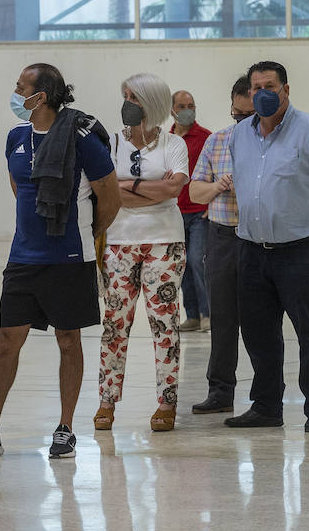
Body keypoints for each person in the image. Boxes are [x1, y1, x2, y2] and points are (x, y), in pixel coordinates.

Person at [0, 65, 119, 462]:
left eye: (20, 88)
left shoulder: (84, 142)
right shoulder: (16, 138)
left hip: (68, 259)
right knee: (6, 341)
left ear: (41, 96)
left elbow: (110, 198)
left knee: (69, 340)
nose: (14, 94)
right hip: (23, 257)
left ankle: (65, 428)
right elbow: (20, 190)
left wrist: (82, 231)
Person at [224, 61, 309, 433]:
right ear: (249, 93)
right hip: (250, 249)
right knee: (259, 333)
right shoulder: (240, 135)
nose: (262, 93)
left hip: (299, 252)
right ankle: (266, 406)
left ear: (286, 90)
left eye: (270, 86)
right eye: (256, 87)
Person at [94, 73, 189, 433]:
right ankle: (106, 400)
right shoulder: (112, 143)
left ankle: (167, 402)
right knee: (115, 323)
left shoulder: (172, 144)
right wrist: (149, 188)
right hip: (118, 240)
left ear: (151, 102)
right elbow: (104, 191)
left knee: (164, 323)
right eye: (125, 95)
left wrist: (125, 186)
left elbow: (173, 189)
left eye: (133, 96)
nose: (127, 102)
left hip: (164, 240)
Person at [186, 78, 255, 413]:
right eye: (237, 113)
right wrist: (217, 187)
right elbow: (194, 192)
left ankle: (266, 391)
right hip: (223, 236)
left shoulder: (275, 142)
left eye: (250, 115)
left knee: (261, 318)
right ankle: (220, 391)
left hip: (260, 239)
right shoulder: (217, 142)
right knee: (223, 317)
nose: (242, 121)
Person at [172, 90, 212, 333]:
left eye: (191, 104)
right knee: (183, 265)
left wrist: (210, 203)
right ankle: (193, 315)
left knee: (199, 261)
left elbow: (215, 171)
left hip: (199, 213)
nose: (188, 109)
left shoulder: (206, 137)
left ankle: (208, 314)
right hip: (174, 214)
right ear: (172, 110)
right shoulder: (165, 139)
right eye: (182, 105)